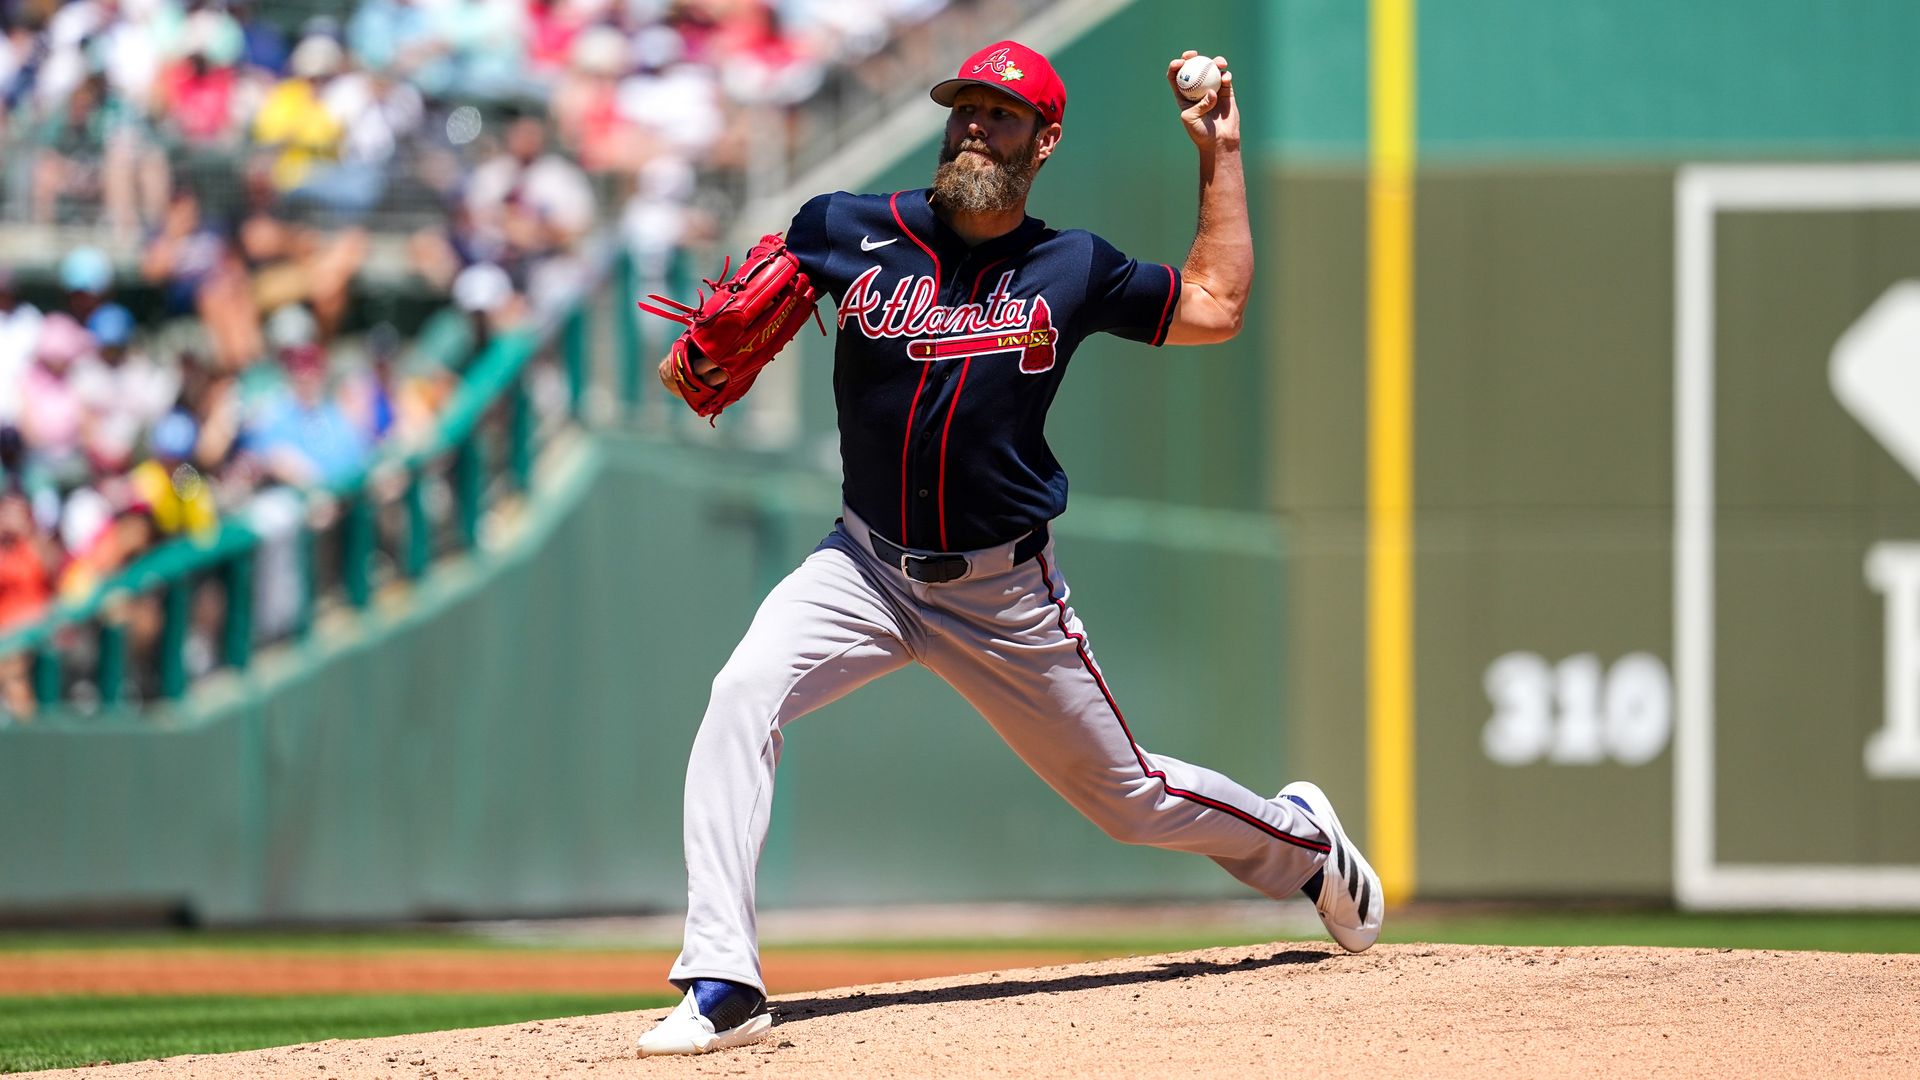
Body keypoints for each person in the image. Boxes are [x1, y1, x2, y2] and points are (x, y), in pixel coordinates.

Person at [635, 43, 1384, 1057]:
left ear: (1047, 139)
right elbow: (714, 341)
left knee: (1133, 802)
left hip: (1003, 593)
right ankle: (724, 980)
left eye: (1003, 112)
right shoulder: (845, 229)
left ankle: (1305, 845)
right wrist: (694, 361)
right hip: (860, 566)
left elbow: (1215, 304)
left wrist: (1220, 152)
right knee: (739, 696)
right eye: (965, 108)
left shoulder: (1069, 266)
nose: (976, 124)